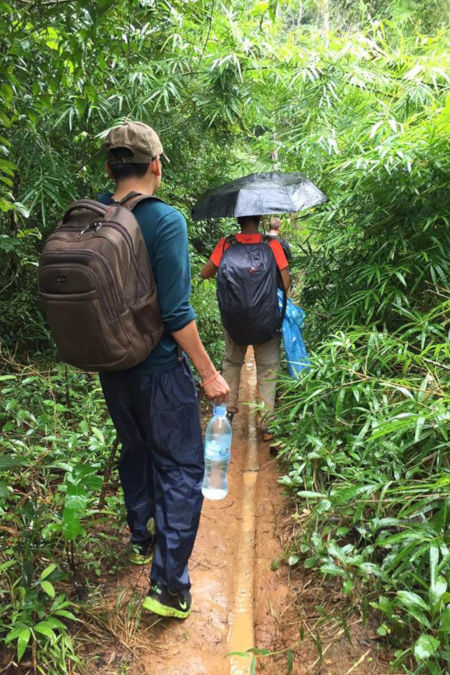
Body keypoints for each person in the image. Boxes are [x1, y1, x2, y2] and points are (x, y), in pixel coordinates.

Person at [99, 121, 229, 620]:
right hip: (158, 372)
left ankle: (140, 535)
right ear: (155, 165)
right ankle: (169, 587)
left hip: (112, 368)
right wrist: (210, 373)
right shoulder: (164, 221)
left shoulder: (92, 214)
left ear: (110, 168)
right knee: (179, 468)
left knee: (137, 449)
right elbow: (176, 313)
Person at [200, 215, 290, 439]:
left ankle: (227, 413)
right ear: (259, 220)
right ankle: (267, 423)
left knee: (232, 362)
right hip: (267, 320)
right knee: (269, 367)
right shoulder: (273, 245)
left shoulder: (226, 244)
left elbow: (205, 273)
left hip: (234, 320)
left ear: (238, 219)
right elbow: (286, 283)